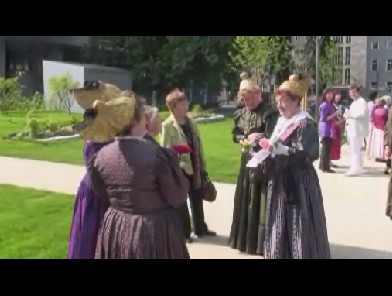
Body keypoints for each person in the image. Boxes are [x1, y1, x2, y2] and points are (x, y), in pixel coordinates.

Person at [74, 94, 190, 259]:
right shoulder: (157, 155)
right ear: (134, 121)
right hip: (152, 231)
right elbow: (177, 196)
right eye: (143, 115)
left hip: (115, 226)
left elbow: (102, 193)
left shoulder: (100, 156)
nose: (147, 119)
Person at [260, 74, 330, 259]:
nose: (280, 106)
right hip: (280, 181)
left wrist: (283, 149)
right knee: (280, 221)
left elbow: (309, 153)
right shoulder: (282, 122)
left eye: (284, 101)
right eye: (277, 101)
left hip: (299, 184)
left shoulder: (305, 123)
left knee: (299, 223)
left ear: (296, 101)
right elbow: (275, 145)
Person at [67, 81, 122, 259]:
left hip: (98, 190)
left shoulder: (103, 136)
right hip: (95, 193)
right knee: (92, 238)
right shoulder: (95, 139)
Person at [228, 71, 279, 256]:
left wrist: (261, 137)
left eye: (250, 98)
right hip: (246, 160)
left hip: (263, 162)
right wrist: (244, 138)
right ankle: (242, 240)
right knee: (245, 199)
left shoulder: (269, 113)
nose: (247, 102)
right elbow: (235, 135)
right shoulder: (240, 113)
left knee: (260, 200)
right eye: (244, 99)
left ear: (258, 94)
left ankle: (259, 244)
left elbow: (274, 136)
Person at [160, 89, 216, 243]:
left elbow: (198, 142)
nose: (186, 105)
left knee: (197, 198)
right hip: (181, 168)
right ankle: (184, 233)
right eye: (182, 103)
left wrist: (202, 162)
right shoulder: (167, 125)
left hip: (195, 164)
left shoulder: (191, 122)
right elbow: (165, 149)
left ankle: (200, 228)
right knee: (181, 202)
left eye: (186, 102)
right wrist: (178, 155)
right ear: (174, 106)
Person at [345, 84, 369, 176]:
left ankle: (355, 168)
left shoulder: (361, 101)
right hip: (352, 128)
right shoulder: (353, 103)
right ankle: (358, 166)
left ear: (358, 92)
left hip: (357, 129)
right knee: (355, 149)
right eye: (351, 92)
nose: (352, 94)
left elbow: (362, 113)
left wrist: (350, 115)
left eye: (354, 92)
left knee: (355, 149)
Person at [318, 89, 338, 173]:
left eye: (331, 93)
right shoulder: (324, 105)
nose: (330, 95)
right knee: (326, 148)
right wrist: (335, 113)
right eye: (328, 94)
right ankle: (325, 167)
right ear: (325, 95)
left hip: (328, 127)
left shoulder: (329, 104)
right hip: (326, 128)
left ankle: (322, 165)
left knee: (326, 148)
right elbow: (325, 118)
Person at [367, 98, 388, 163]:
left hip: (376, 128)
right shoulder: (385, 110)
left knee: (376, 142)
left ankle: (377, 155)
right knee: (382, 142)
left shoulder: (375, 110)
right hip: (383, 128)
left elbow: (372, 118)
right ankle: (382, 155)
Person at [330, 91, 345, 167]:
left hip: (338, 126)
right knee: (331, 144)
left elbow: (342, 115)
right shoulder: (331, 105)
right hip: (333, 126)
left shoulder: (340, 106)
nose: (338, 98)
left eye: (339, 97)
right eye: (337, 97)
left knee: (336, 144)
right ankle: (328, 160)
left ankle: (331, 160)